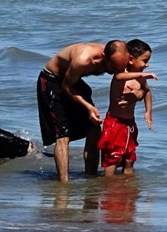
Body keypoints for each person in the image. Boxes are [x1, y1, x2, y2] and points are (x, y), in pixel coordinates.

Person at [37, 40, 131, 181]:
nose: (115, 72)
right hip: (53, 82)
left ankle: (91, 176)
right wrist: (88, 107)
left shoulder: (117, 55)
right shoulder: (83, 60)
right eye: (113, 68)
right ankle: (64, 183)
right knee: (63, 136)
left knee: (94, 129)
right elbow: (66, 86)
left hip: (73, 80)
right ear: (102, 56)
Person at [99, 39, 157, 176]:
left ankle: (129, 187)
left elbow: (147, 92)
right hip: (115, 124)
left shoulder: (140, 79)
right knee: (113, 158)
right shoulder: (121, 75)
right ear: (131, 59)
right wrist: (143, 75)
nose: (147, 65)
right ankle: (109, 185)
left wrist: (148, 112)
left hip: (129, 123)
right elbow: (120, 77)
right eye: (144, 61)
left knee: (129, 159)